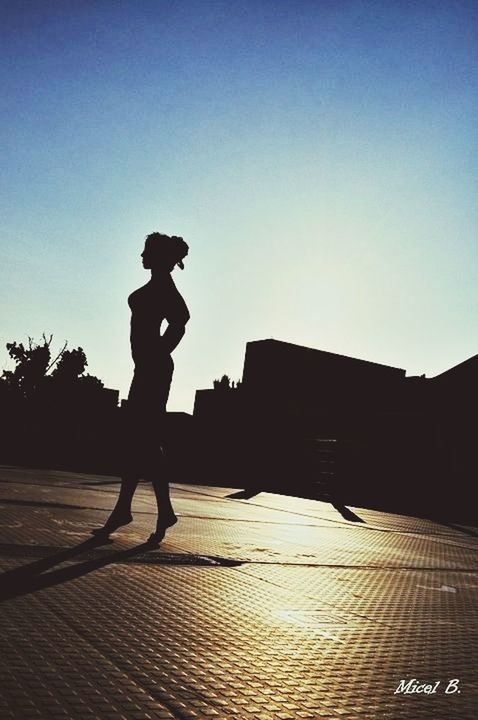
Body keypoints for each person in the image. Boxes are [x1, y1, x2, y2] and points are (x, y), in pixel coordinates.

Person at [93, 232, 190, 545]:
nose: (141, 255)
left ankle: (134, 510)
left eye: (146, 251)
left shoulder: (164, 286)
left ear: (159, 256)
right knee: (142, 442)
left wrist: (160, 351)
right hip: (146, 369)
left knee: (141, 441)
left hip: (154, 371)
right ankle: (157, 511)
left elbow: (181, 319)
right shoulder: (156, 285)